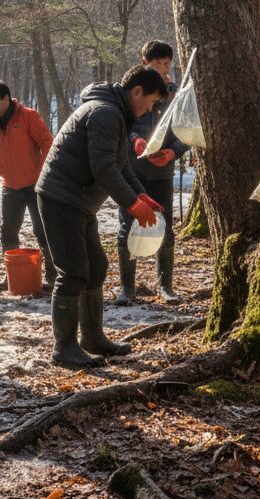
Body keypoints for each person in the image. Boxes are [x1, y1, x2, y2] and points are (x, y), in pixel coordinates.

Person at [36, 65, 167, 368]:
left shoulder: (115, 113)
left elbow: (121, 166)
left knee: (96, 265)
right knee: (73, 272)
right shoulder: (105, 113)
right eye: (150, 102)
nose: (150, 110)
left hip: (79, 200)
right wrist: (133, 206)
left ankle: (92, 338)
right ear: (137, 91)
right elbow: (103, 169)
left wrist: (140, 195)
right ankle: (63, 348)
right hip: (62, 197)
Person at [116, 41, 190, 306]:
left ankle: (165, 286)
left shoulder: (176, 95)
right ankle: (127, 289)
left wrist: (172, 153)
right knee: (127, 226)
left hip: (162, 173)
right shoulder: (132, 90)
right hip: (132, 171)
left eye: (166, 64)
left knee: (166, 228)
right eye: (156, 63)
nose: (162, 68)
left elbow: (186, 132)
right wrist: (134, 141)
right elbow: (120, 127)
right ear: (144, 62)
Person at [0, 80, 55, 289]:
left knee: (42, 230)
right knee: (8, 231)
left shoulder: (28, 116)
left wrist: (43, 172)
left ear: (6, 99)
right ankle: (11, 275)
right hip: (10, 185)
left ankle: (53, 276)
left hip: (35, 184)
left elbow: (47, 143)